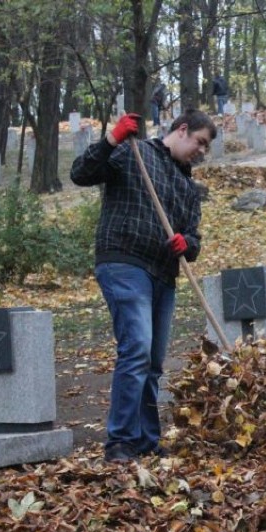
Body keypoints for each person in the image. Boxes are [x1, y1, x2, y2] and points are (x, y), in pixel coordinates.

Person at [70, 109, 217, 463]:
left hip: (163, 275)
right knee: (136, 348)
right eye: (200, 142)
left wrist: (187, 243)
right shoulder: (134, 152)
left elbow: (193, 237)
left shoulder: (188, 187)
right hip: (123, 262)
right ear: (182, 130)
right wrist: (111, 138)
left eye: (207, 148)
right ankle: (120, 441)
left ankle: (147, 440)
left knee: (152, 361)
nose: (201, 151)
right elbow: (81, 173)